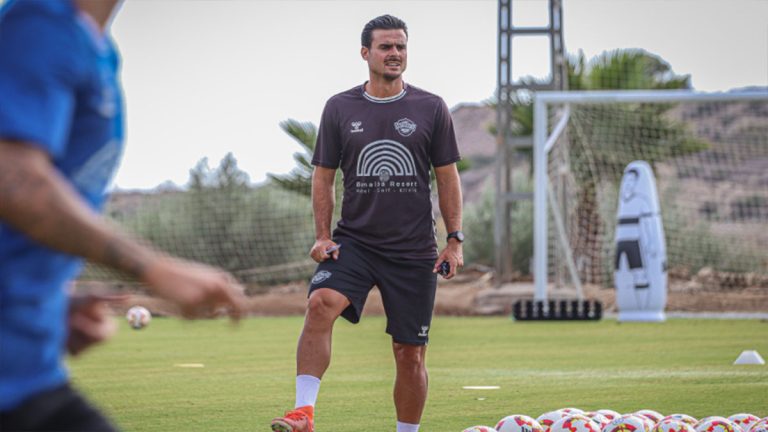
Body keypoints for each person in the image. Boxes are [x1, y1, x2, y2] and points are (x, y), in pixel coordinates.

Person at [0, 1, 249, 430]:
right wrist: (154, 268)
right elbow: (13, 179)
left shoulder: (97, 47)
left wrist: (54, 305)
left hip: (27, 368)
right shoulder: (38, 24)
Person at [270, 14, 464, 432]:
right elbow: (323, 176)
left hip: (413, 249)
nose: (395, 54)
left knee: (409, 352)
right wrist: (322, 236)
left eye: (401, 47)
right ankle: (303, 413)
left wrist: (454, 239)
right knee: (320, 304)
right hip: (354, 242)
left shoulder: (431, 107)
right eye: (385, 47)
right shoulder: (340, 108)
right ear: (366, 53)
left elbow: (447, 178)